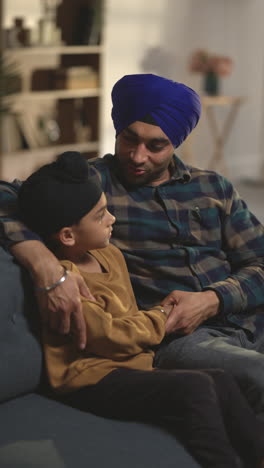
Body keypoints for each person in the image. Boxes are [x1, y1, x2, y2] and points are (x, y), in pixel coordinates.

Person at [1, 73, 264, 412]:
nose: (138, 156)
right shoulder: (90, 186)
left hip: (247, 316)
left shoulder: (214, 187)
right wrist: (43, 263)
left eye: (156, 146)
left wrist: (213, 299)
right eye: (129, 139)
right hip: (180, 338)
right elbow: (7, 196)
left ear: (176, 143)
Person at [16, 150, 264, 468]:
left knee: (221, 380)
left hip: (132, 366)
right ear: (67, 234)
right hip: (88, 379)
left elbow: (130, 317)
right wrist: (161, 316)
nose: (112, 219)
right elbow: (108, 335)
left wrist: (150, 322)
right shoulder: (68, 283)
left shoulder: (110, 256)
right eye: (101, 215)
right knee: (195, 387)